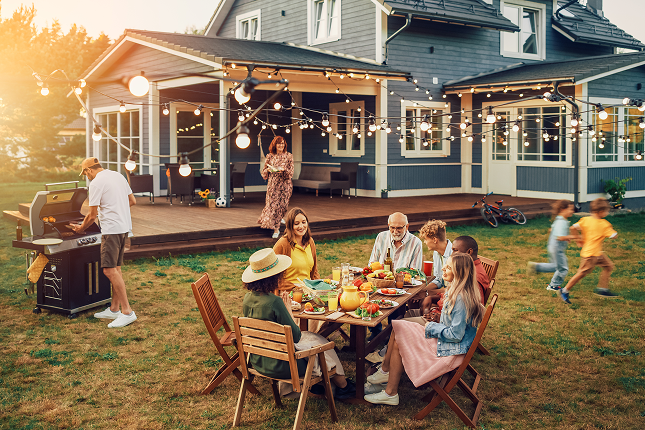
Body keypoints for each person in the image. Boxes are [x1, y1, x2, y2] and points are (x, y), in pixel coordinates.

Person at [364, 254, 486, 405]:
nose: (443, 269)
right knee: (399, 326)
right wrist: (436, 321)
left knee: (399, 341)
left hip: (449, 349)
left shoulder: (461, 298)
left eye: (448, 267)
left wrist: (431, 326)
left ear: (459, 272)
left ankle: (390, 392)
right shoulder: (457, 290)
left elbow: (455, 334)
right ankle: (385, 373)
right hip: (445, 340)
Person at [241, 248, 356, 399]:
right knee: (320, 344)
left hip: (259, 361)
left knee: (313, 337)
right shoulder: (275, 302)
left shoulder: (247, 299)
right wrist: (288, 310)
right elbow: (295, 336)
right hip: (284, 365)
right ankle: (343, 386)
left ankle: (326, 385)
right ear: (274, 277)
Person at [71, 157, 137, 328]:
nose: (87, 177)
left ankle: (127, 312)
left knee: (109, 270)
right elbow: (132, 201)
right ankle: (114, 309)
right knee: (116, 269)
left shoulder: (96, 183)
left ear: (89, 170)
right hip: (123, 228)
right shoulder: (118, 176)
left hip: (111, 231)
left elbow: (91, 215)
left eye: (86, 173)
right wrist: (117, 210)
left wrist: (80, 229)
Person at [367, 212, 423, 339]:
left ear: (407, 227)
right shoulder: (381, 237)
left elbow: (414, 272)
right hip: (380, 282)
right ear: (388, 225)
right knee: (366, 298)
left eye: (399, 228)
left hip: (401, 286)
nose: (395, 231)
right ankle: (375, 332)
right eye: (392, 227)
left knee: (396, 306)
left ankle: (391, 334)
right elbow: (372, 263)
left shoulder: (416, 243)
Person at [559, 198, 618, 304]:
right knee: (582, 273)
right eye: (606, 211)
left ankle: (603, 289)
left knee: (608, 266)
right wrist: (613, 233)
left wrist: (578, 240)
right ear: (601, 211)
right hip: (591, 255)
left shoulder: (585, 220)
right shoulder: (604, 224)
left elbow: (573, 228)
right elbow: (613, 235)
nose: (607, 213)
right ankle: (564, 290)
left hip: (597, 253)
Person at [527, 200, 576, 292]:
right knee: (563, 269)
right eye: (570, 209)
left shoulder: (559, 219)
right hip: (557, 248)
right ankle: (553, 285)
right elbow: (559, 237)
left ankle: (536, 267)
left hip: (553, 246)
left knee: (555, 266)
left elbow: (551, 230)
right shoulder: (561, 221)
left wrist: (565, 237)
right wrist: (573, 236)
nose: (572, 211)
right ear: (562, 209)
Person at [273, 208, 320, 291]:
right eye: (296, 223)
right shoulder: (283, 244)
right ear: (290, 226)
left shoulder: (310, 242)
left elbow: (314, 271)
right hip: (288, 294)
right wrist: (295, 287)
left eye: (303, 222)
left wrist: (318, 288)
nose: (301, 226)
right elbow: (273, 277)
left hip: (308, 293)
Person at [258, 136, 294, 239]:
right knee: (273, 206)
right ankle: (274, 226)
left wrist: (283, 170)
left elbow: (291, 173)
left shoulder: (289, 156)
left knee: (282, 207)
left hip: (285, 186)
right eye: (279, 144)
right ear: (275, 145)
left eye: (283, 143)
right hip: (273, 185)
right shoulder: (270, 156)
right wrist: (268, 170)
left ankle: (277, 224)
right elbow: (263, 172)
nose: (281, 145)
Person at [418, 219, 452, 292]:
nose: (424, 242)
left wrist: (427, 293)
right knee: (416, 298)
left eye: (425, 239)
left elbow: (455, 288)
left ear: (434, 240)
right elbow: (438, 280)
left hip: (454, 295)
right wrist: (422, 291)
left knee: (423, 299)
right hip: (446, 292)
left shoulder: (454, 255)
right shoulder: (436, 253)